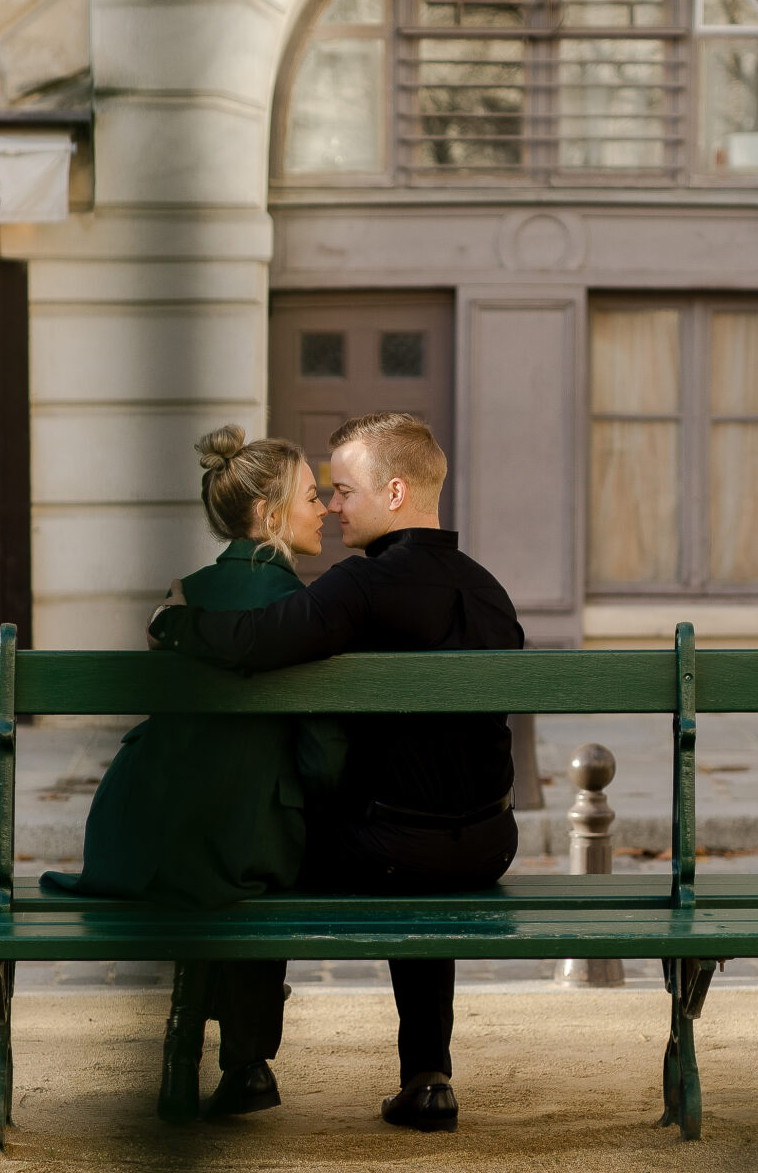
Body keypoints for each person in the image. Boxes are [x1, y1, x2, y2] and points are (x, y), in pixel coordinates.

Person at [149, 410, 524, 1134]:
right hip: (485, 845)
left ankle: (244, 1061)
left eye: (344, 490)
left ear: (391, 492)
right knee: (423, 857)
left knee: (266, 836)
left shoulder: (363, 587)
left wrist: (175, 621)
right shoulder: (489, 592)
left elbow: (258, 640)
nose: (332, 505)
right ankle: (426, 1075)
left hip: (385, 849)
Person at [43, 426, 341, 1122]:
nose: (323, 507)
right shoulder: (303, 612)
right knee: (259, 851)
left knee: (215, 847)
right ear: (269, 517)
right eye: (309, 496)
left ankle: (191, 1054)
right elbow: (322, 756)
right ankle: (246, 1061)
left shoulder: (180, 598)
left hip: (142, 834)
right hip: (245, 846)